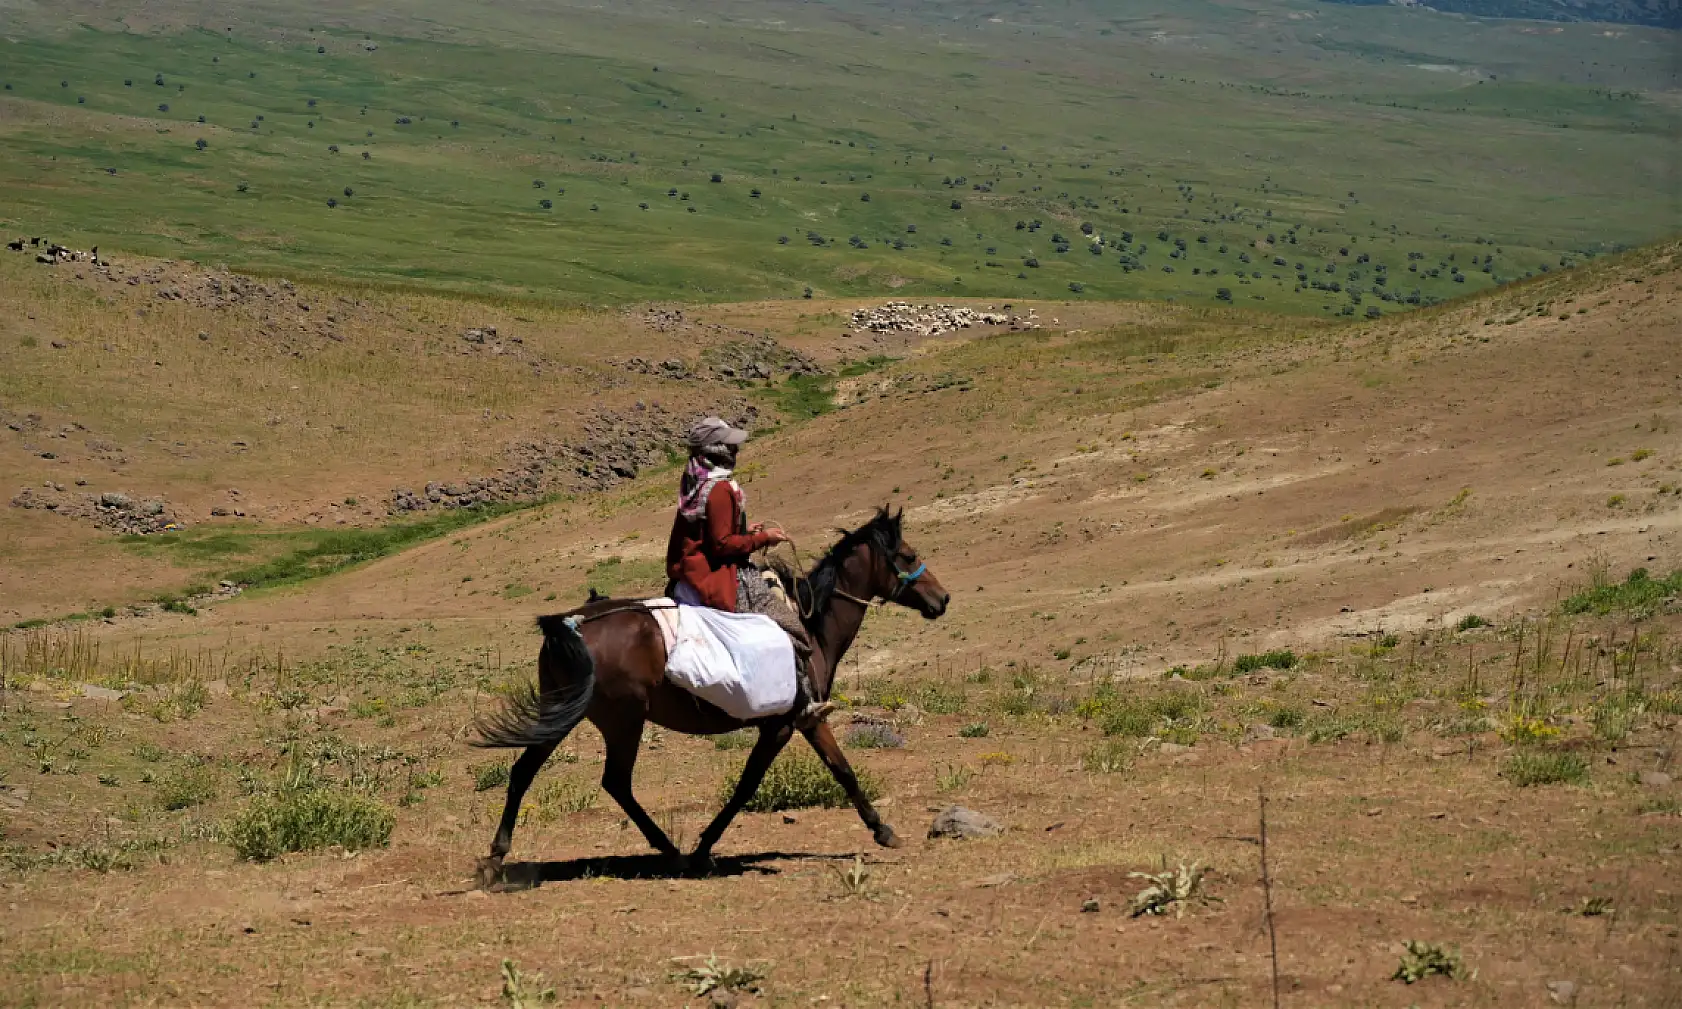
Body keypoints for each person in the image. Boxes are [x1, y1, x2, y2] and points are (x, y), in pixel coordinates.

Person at [665, 417, 832, 728]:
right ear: (718, 449)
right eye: (731, 445)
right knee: (790, 625)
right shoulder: (719, 489)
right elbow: (722, 546)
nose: (736, 450)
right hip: (720, 574)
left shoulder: (698, 481)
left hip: (694, 569)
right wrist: (762, 539)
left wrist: (745, 531)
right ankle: (801, 704)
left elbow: (714, 534)